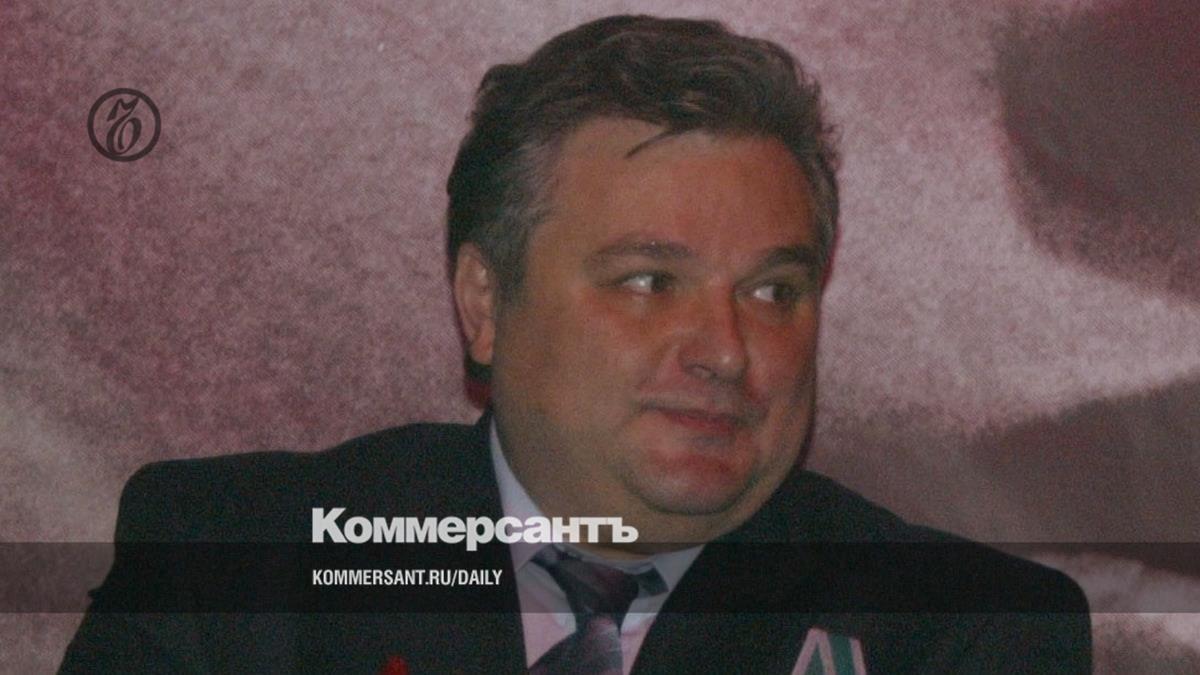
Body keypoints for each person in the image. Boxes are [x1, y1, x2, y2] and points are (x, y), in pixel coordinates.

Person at [61, 15, 1091, 674]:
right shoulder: (234, 567)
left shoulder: (962, 635)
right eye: (649, 281)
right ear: (484, 303)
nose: (728, 350)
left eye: (773, 291)